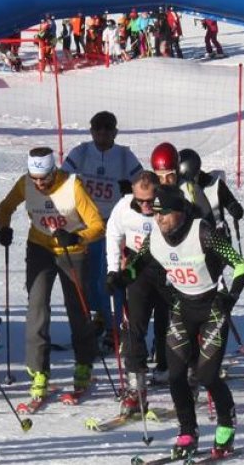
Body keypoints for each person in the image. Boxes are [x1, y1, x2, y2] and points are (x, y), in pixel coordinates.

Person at [138, 185, 244, 460]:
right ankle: (188, 431)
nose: (159, 219)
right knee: (175, 376)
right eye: (156, 214)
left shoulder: (203, 232)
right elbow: (138, 263)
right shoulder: (155, 236)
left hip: (212, 309)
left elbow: (241, 265)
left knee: (207, 375)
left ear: (180, 212)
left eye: (164, 214)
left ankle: (226, 423)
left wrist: (230, 296)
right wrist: (121, 275)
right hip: (182, 309)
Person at [0, 147, 105, 405]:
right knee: (37, 308)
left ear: (54, 171)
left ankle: (83, 365)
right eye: (34, 178)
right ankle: (38, 371)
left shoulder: (72, 186)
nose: (39, 183)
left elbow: (98, 225)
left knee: (77, 309)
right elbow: (5, 207)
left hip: (72, 251)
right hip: (40, 248)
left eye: (44, 178)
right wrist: (4, 228)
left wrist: (76, 236)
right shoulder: (26, 184)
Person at [61, 110, 143, 349]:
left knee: (109, 276)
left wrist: (132, 189)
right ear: (91, 131)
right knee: (86, 278)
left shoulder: (125, 156)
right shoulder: (82, 151)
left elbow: (144, 183)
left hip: (113, 225)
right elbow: (62, 176)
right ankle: (98, 317)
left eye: (108, 128)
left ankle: (114, 326)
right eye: (98, 128)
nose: (103, 132)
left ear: (115, 132)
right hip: (86, 224)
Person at [105, 171, 169, 412]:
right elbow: (113, 235)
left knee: (172, 327)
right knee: (134, 327)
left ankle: (183, 377)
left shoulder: (168, 205)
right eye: (139, 200)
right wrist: (112, 271)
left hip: (167, 269)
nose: (145, 205)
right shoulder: (123, 207)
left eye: (149, 200)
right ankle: (136, 388)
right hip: (136, 269)